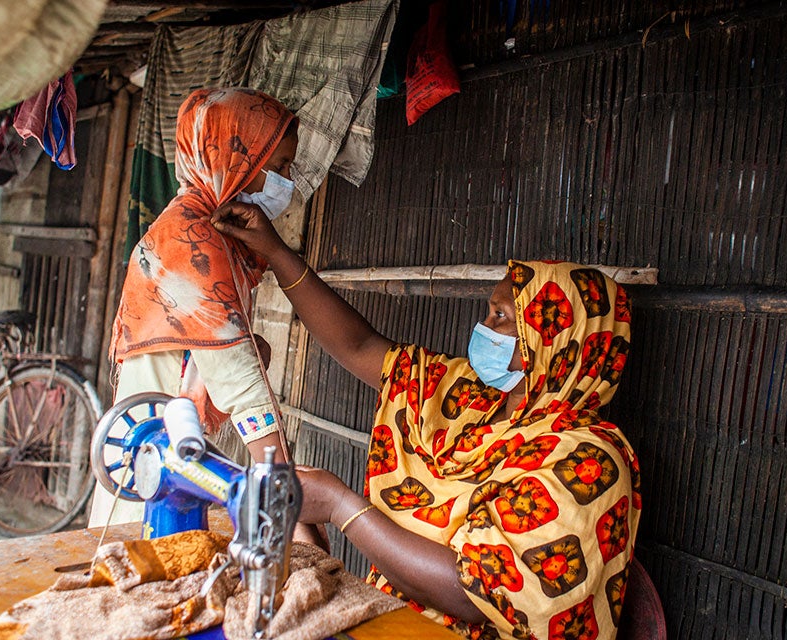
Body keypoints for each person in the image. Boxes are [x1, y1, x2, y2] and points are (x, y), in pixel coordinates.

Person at [211, 205, 642, 639]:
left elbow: (471, 593)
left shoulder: (589, 463)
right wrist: (275, 251)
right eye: (488, 312)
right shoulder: (470, 399)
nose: (483, 327)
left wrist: (342, 507)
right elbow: (359, 346)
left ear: (553, 344)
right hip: (384, 619)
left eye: (501, 318)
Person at [89, 87, 300, 527]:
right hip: (151, 474)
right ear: (234, 159)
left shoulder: (207, 229)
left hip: (164, 448)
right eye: (277, 167)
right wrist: (291, 507)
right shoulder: (191, 241)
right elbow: (243, 387)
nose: (286, 182)